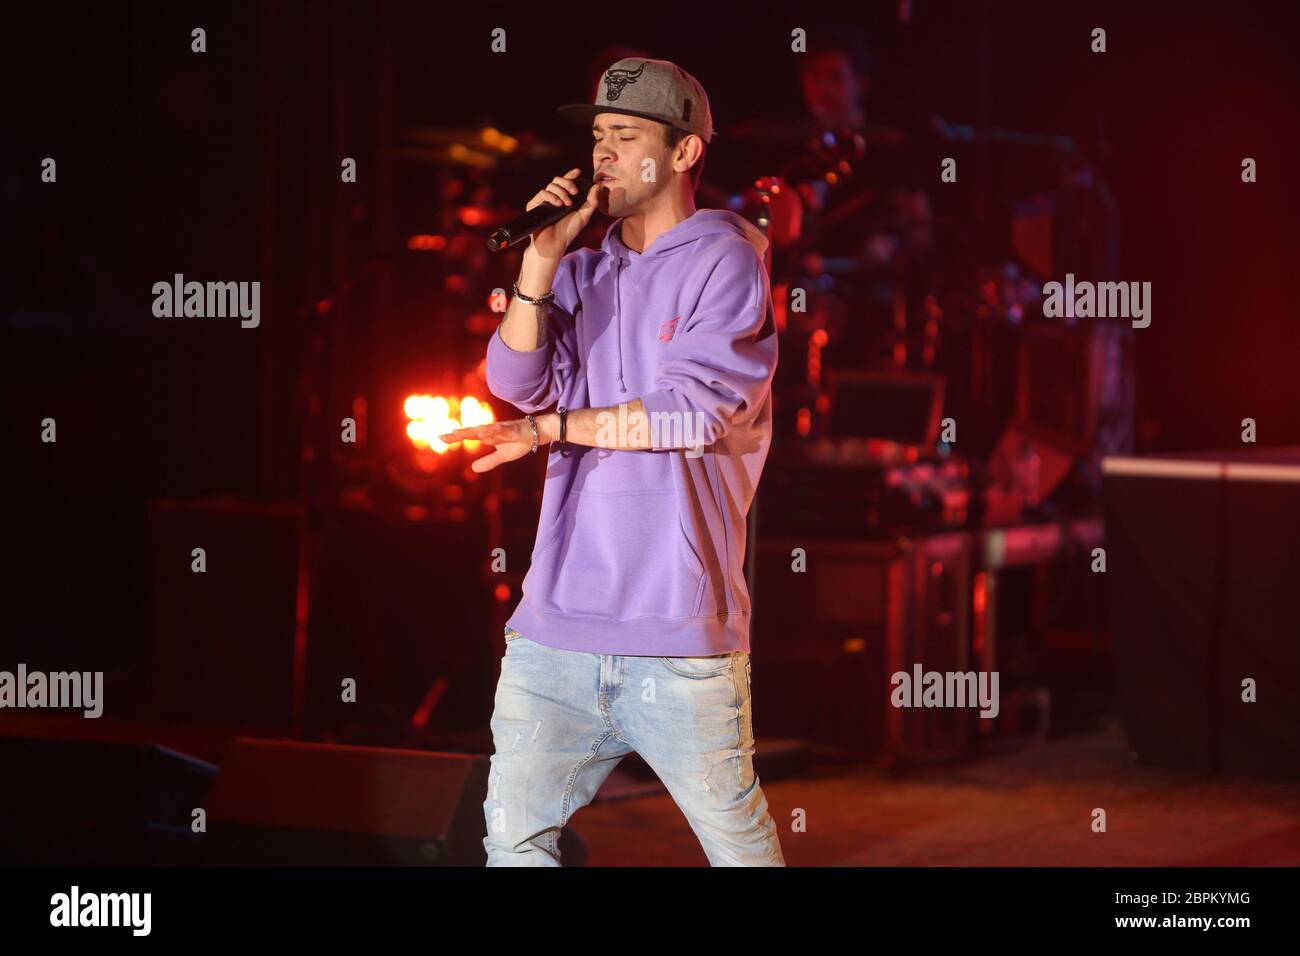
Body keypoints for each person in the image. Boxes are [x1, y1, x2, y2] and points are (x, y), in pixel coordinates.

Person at [440, 57, 786, 866]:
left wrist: (548, 430)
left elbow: (692, 411)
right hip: (555, 629)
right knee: (514, 846)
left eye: (625, 136)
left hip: (678, 629)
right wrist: (539, 261)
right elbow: (515, 383)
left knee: (738, 851)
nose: (603, 154)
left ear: (684, 154)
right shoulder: (582, 272)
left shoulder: (725, 259)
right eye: (597, 137)